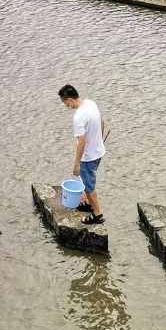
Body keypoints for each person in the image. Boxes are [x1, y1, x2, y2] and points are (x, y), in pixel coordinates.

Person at [58, 84, 107, 225]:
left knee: (89, 186)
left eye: (65, 102)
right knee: (88, 181)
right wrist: (99, 141)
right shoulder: (91, 103)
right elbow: (101, 121)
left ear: (69, 99)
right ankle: (88, 204)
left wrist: (77, 163)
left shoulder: (78, 116)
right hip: (99, 152)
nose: (66, 106)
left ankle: (97, 214)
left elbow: (82, 141)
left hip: (88, 157)